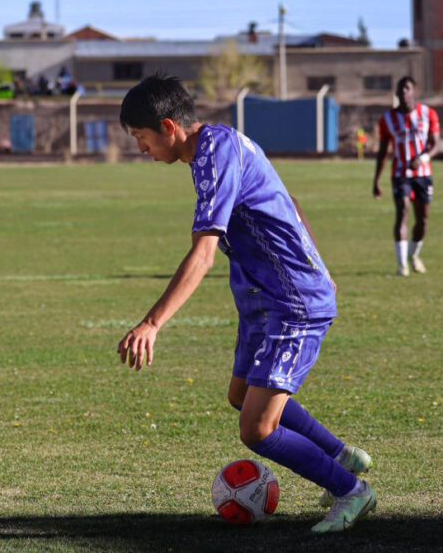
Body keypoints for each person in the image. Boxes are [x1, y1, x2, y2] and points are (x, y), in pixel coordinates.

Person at [115, 73, 374, 534]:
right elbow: (289, 200)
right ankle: (339, 454)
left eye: (141, 137)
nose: (141, 148)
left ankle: (351, 490)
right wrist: (321, 264)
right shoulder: (216, 147)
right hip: (263, 298)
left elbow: (204, 254)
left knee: (257, 429)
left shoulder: (214, 155)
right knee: (240, 396)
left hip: (292, 301)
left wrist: (152, 323)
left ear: (169, 127)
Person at [373, 76, 439, 276]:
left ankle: (413, 254)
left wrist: (423, 158)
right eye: (400, 89)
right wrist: (376, 180)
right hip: (400, 174)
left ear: (414, 91)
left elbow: (436, 144)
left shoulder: (428, 114)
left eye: (407, 88)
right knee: (402, 211)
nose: (403, 92)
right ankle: (402, 266)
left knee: (423, 220)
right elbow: (383, 152)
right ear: (396, 93)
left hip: (423, 174)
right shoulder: (387, 119)